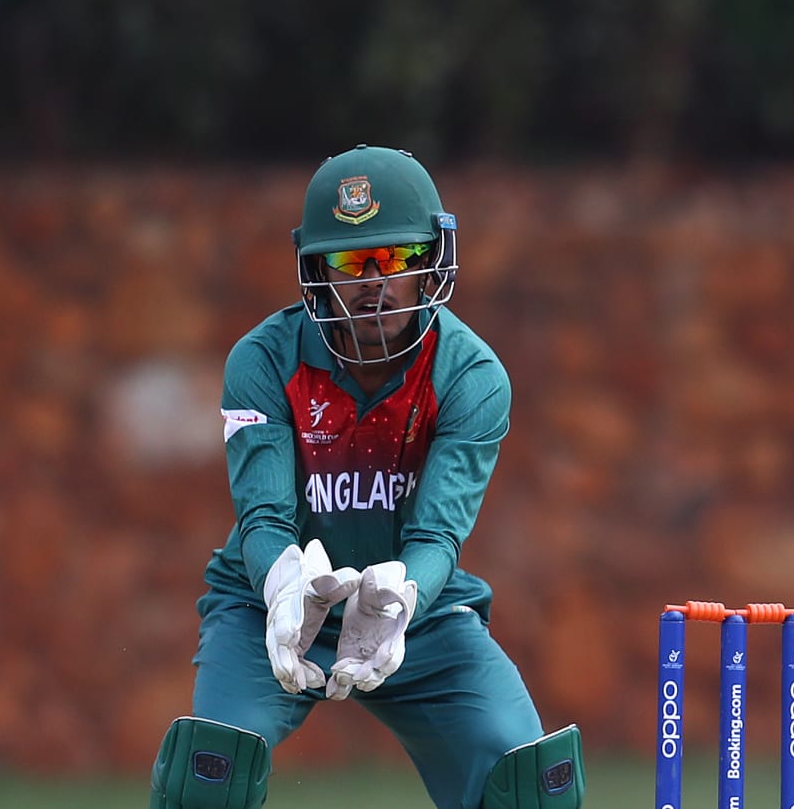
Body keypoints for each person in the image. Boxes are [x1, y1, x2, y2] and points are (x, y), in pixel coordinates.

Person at [150, 145, 584, 809]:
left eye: (398, 258)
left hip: (414, 608)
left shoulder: (470, 377)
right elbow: (263, 520)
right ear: (318, 270)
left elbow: (438, 535)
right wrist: (285, 587)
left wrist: (404, 598)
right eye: (353, 262)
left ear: (432, 262)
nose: (374, 283)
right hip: (275, 603)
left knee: (525, 785)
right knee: (208, 776)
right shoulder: (264, 360)